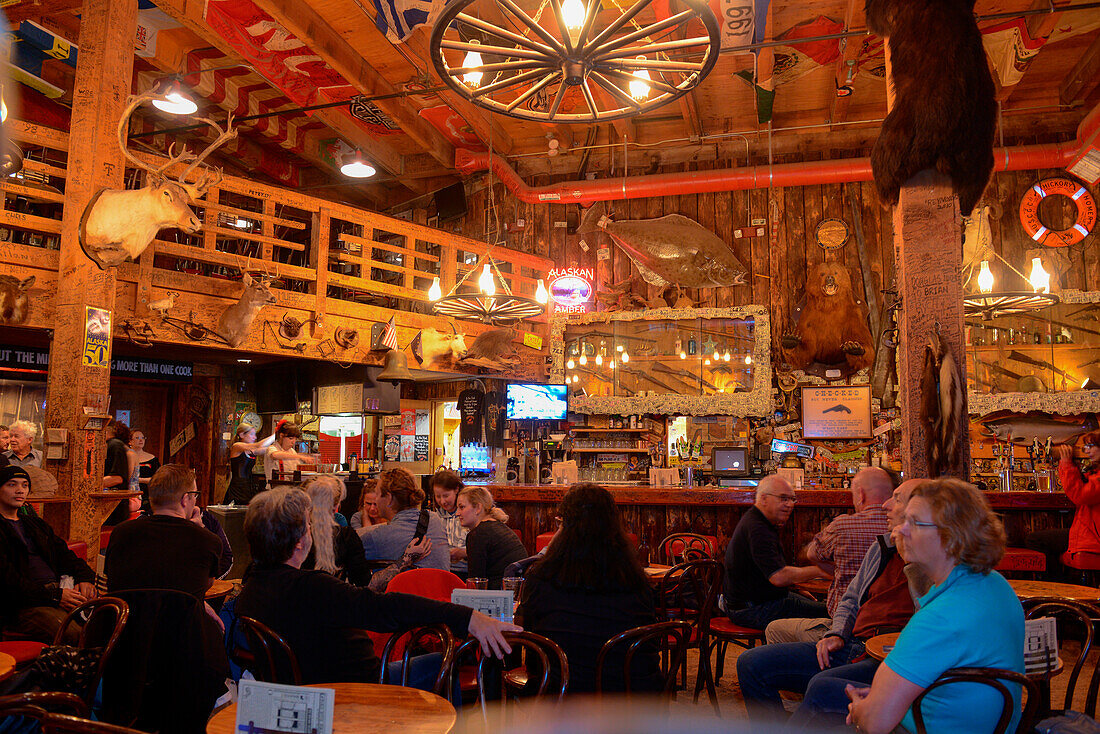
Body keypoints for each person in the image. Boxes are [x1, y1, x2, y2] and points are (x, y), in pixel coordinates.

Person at [235, 487, 521, 686]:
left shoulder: (249, 591)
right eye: (308, 526)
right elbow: (387, 607)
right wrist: (468, 617)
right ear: (300, 542)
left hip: (303, 693)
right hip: (359, 688)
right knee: (443, 662)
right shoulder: (313, 587)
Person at [737, 479, 924, 727]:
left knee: (821, 685)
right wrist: (836, 633)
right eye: (784, 498)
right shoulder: (883, 547)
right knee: (750, 662)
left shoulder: (931, 561)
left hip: (886, 656)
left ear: (922, 511)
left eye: (897, 498)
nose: (886, 505)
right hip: (853, 643)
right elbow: (851, 598)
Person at [846, 478, 1024, 734]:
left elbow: (875, 723)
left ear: (952, 535)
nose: (901, 530)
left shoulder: (940, 618)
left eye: (915, 523)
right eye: (905, 520)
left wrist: (859, 707)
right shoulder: (994, 584)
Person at [519, 483, 659, 694]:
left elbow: (532, 650)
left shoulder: (541, 578)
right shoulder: (635, 581)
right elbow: (649, 647)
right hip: (632, 698)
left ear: (564, 525)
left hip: (561, 698)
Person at [766, 466, 894, 644]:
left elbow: (812, 554)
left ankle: (809, 667)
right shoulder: (902, 531)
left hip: (845, 631)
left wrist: (832, 569)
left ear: (861, 494)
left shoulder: (842, 527)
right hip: (891, 634)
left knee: (774, 629)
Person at [0, 465, 97, 643]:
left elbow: (68, 557)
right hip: (22, 605)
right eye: (12, 485)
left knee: (111, 622)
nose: (20, 490)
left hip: (58, 592)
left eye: (24, 485)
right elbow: (8, 582)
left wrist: (85, 579)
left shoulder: (35, 524)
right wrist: (55, 596)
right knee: (77, 635)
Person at [105, 464, 222, 607]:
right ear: (185, 499)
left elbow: (114, 583)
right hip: (183, 625)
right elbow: (202, 587)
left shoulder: (120, 533)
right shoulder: (209, 541)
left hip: (123, 624)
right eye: (195, 495)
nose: (195, 500)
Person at [721, 475, 828, 630]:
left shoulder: (759, 521)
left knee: (821, 606)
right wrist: (821, 571)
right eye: (783, 499)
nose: (790, 504)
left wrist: (793, 589)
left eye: (792, 499)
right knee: (831, 612)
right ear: (764, 499)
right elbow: (778, 577)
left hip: (753, 601)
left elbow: (768, 572)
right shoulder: (757, 528)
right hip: (750, 609)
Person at [1026, 433, 1100, 579]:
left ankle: (1056, 589)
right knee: (1037, 539)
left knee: (1035, 540)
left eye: (1091, 446)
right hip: (1088, 531)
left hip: (1093, 536)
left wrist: (1066, 464)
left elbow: (1079, 496)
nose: (1087, 451)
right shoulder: (1095, 472)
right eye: (1085, 447)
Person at [360, 468, 450, 570]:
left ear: (389, 499)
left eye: (377, 495)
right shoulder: (435, 519)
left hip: (405, 586)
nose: (376, 500)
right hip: (443, 585)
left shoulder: (377, 537)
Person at [300, 475, 372, 586]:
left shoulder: (293, 534)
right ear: (336, 506)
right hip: (337, 599)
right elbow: (361, 580)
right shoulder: (346, 536)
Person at [457, 486, 527, 589]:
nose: (457, 513)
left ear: (478, 508)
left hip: (501, 596)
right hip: (519, 591)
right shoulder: (497, 526)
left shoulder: (478, 535)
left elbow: (476, 583)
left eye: (462, 507)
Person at [225, 422, 275, 505]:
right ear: (241, 435)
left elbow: (267, 449)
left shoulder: (252, 450)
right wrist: (274, 435)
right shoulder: (236, 446)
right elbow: (259, 445)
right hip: (237, 488)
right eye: (252, 434)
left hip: (249, 486)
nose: (254, 437)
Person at [432, 468, 469, 576]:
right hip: (443, 571)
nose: (442, 501)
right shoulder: (436, 516)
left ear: (456, 490)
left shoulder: (468, 514)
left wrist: (463, 553)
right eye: (438, 496)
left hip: (465, 572)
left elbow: (484, 549)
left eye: (446, 496)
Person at [265, 421, 303, 489]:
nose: (293, 442)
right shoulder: (272, 448)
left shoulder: (292, 452)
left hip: (289, 489)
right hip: (274, 489)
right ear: (281, 435)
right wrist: (299, 456)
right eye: (291, 438)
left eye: (295, 439)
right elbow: (275, 455)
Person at [129, 429, 160, 494]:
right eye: (137, 438)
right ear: (130, 441)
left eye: (143, 438)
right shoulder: (126, 457)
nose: (141, 440)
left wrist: (139, 480)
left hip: (148, 494)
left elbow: (159, 478)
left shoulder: (153, 459)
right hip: (129, 493)